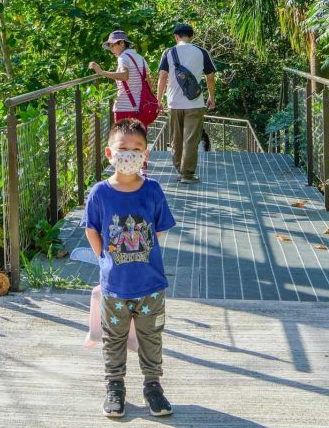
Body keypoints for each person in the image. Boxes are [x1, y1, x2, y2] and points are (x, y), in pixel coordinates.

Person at [82, 118, 177, 418]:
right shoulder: (99, 193)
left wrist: (145, 254)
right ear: (109, 154)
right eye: (123, 148)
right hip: (115, 287)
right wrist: (104, 259)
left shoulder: (153, 190)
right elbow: (91, 229)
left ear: (146, 154)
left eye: (137, 149)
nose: (130, 154)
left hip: (151, 285)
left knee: (152, 336)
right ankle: (115, 386)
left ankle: (153, 386)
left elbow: (159, 230)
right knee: (114, 337)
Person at [156, 23, 216, 184]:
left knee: (176, 138)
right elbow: (210, 77)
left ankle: (179, 169)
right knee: (191, 139)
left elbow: (162, 77)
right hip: (195, 103)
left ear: (176, 36)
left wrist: (159, 100)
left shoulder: (168, 52)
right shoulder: (201, 52)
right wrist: (211, 97)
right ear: (192, 36)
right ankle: (187, 174)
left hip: (174, 103)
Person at [89, 30, 156, 125]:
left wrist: (101, 72)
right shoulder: (140, 58)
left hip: (124, 109)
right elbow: (149, 83)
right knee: (139, 139)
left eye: (113, 46)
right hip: (141, 108)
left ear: (122, 43)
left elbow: (125, 75)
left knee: (122, 139)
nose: (111, 50)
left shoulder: (123, 58)